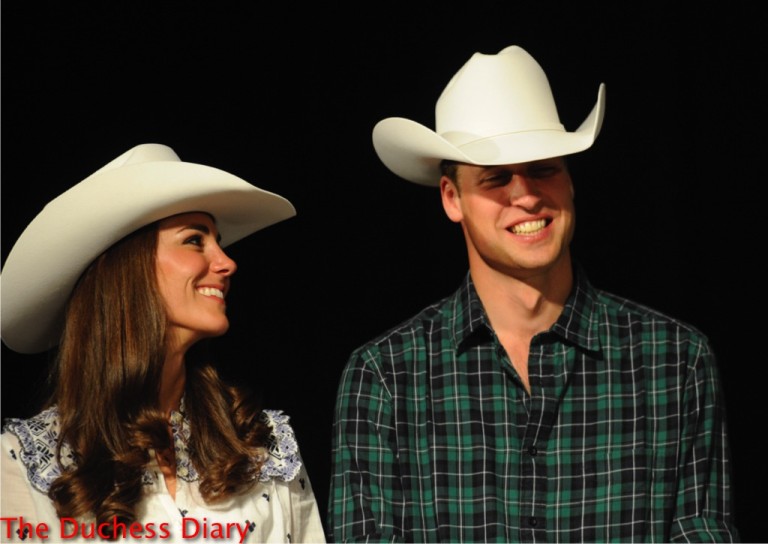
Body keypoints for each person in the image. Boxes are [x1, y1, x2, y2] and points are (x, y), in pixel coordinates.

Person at [328, 45, 738, 542]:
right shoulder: (386, 377)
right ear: (451, 199)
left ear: (569, 181)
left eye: (544, 168)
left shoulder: (675, 360)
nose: (525, 196)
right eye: (497, 179)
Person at [0, 144, 326, 543]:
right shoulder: (25, 462)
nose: (227, 262)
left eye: (218, 241)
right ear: (127, 269)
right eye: (194, 240)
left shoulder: (262, 447)